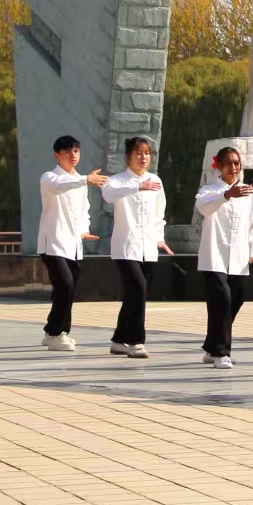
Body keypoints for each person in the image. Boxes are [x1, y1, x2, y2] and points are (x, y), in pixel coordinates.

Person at [101, 136, 171, 359]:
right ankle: (136, 341)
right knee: (138, 288)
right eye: (138, 153)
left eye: (147, 153)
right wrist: (138, 186)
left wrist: (159, 238)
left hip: (148, 246)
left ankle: (119, 340)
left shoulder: (155, 180)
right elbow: (108, 195)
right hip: (125, 246)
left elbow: (159, 213)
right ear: (128, 156)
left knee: (136, 294)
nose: (143, 157)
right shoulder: (117, 181)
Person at [36, 135, 107, 353]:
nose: (72, 154)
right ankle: (58, 334)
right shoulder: (49, 178)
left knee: (65, 289)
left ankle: (51, 331)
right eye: (67, 151)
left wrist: (84, 230)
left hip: (73, 244)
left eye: (76, 150)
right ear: (56, 155)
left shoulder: (80, 181)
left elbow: (84, 210)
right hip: (53, 243)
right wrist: (86, 179)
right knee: (65, 285)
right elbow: (61, 186)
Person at [195, 145, 253, 368]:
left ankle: (212, 345)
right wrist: (225, 195)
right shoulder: (209, 190)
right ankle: (221, 352)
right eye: (228, 164)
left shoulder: (249, 193)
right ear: (219, 167)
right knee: (221, 300)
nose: (233, 167)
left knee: (236, 298)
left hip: (239, 257)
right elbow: (203, 208)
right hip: (214, 256)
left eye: (236, 163)